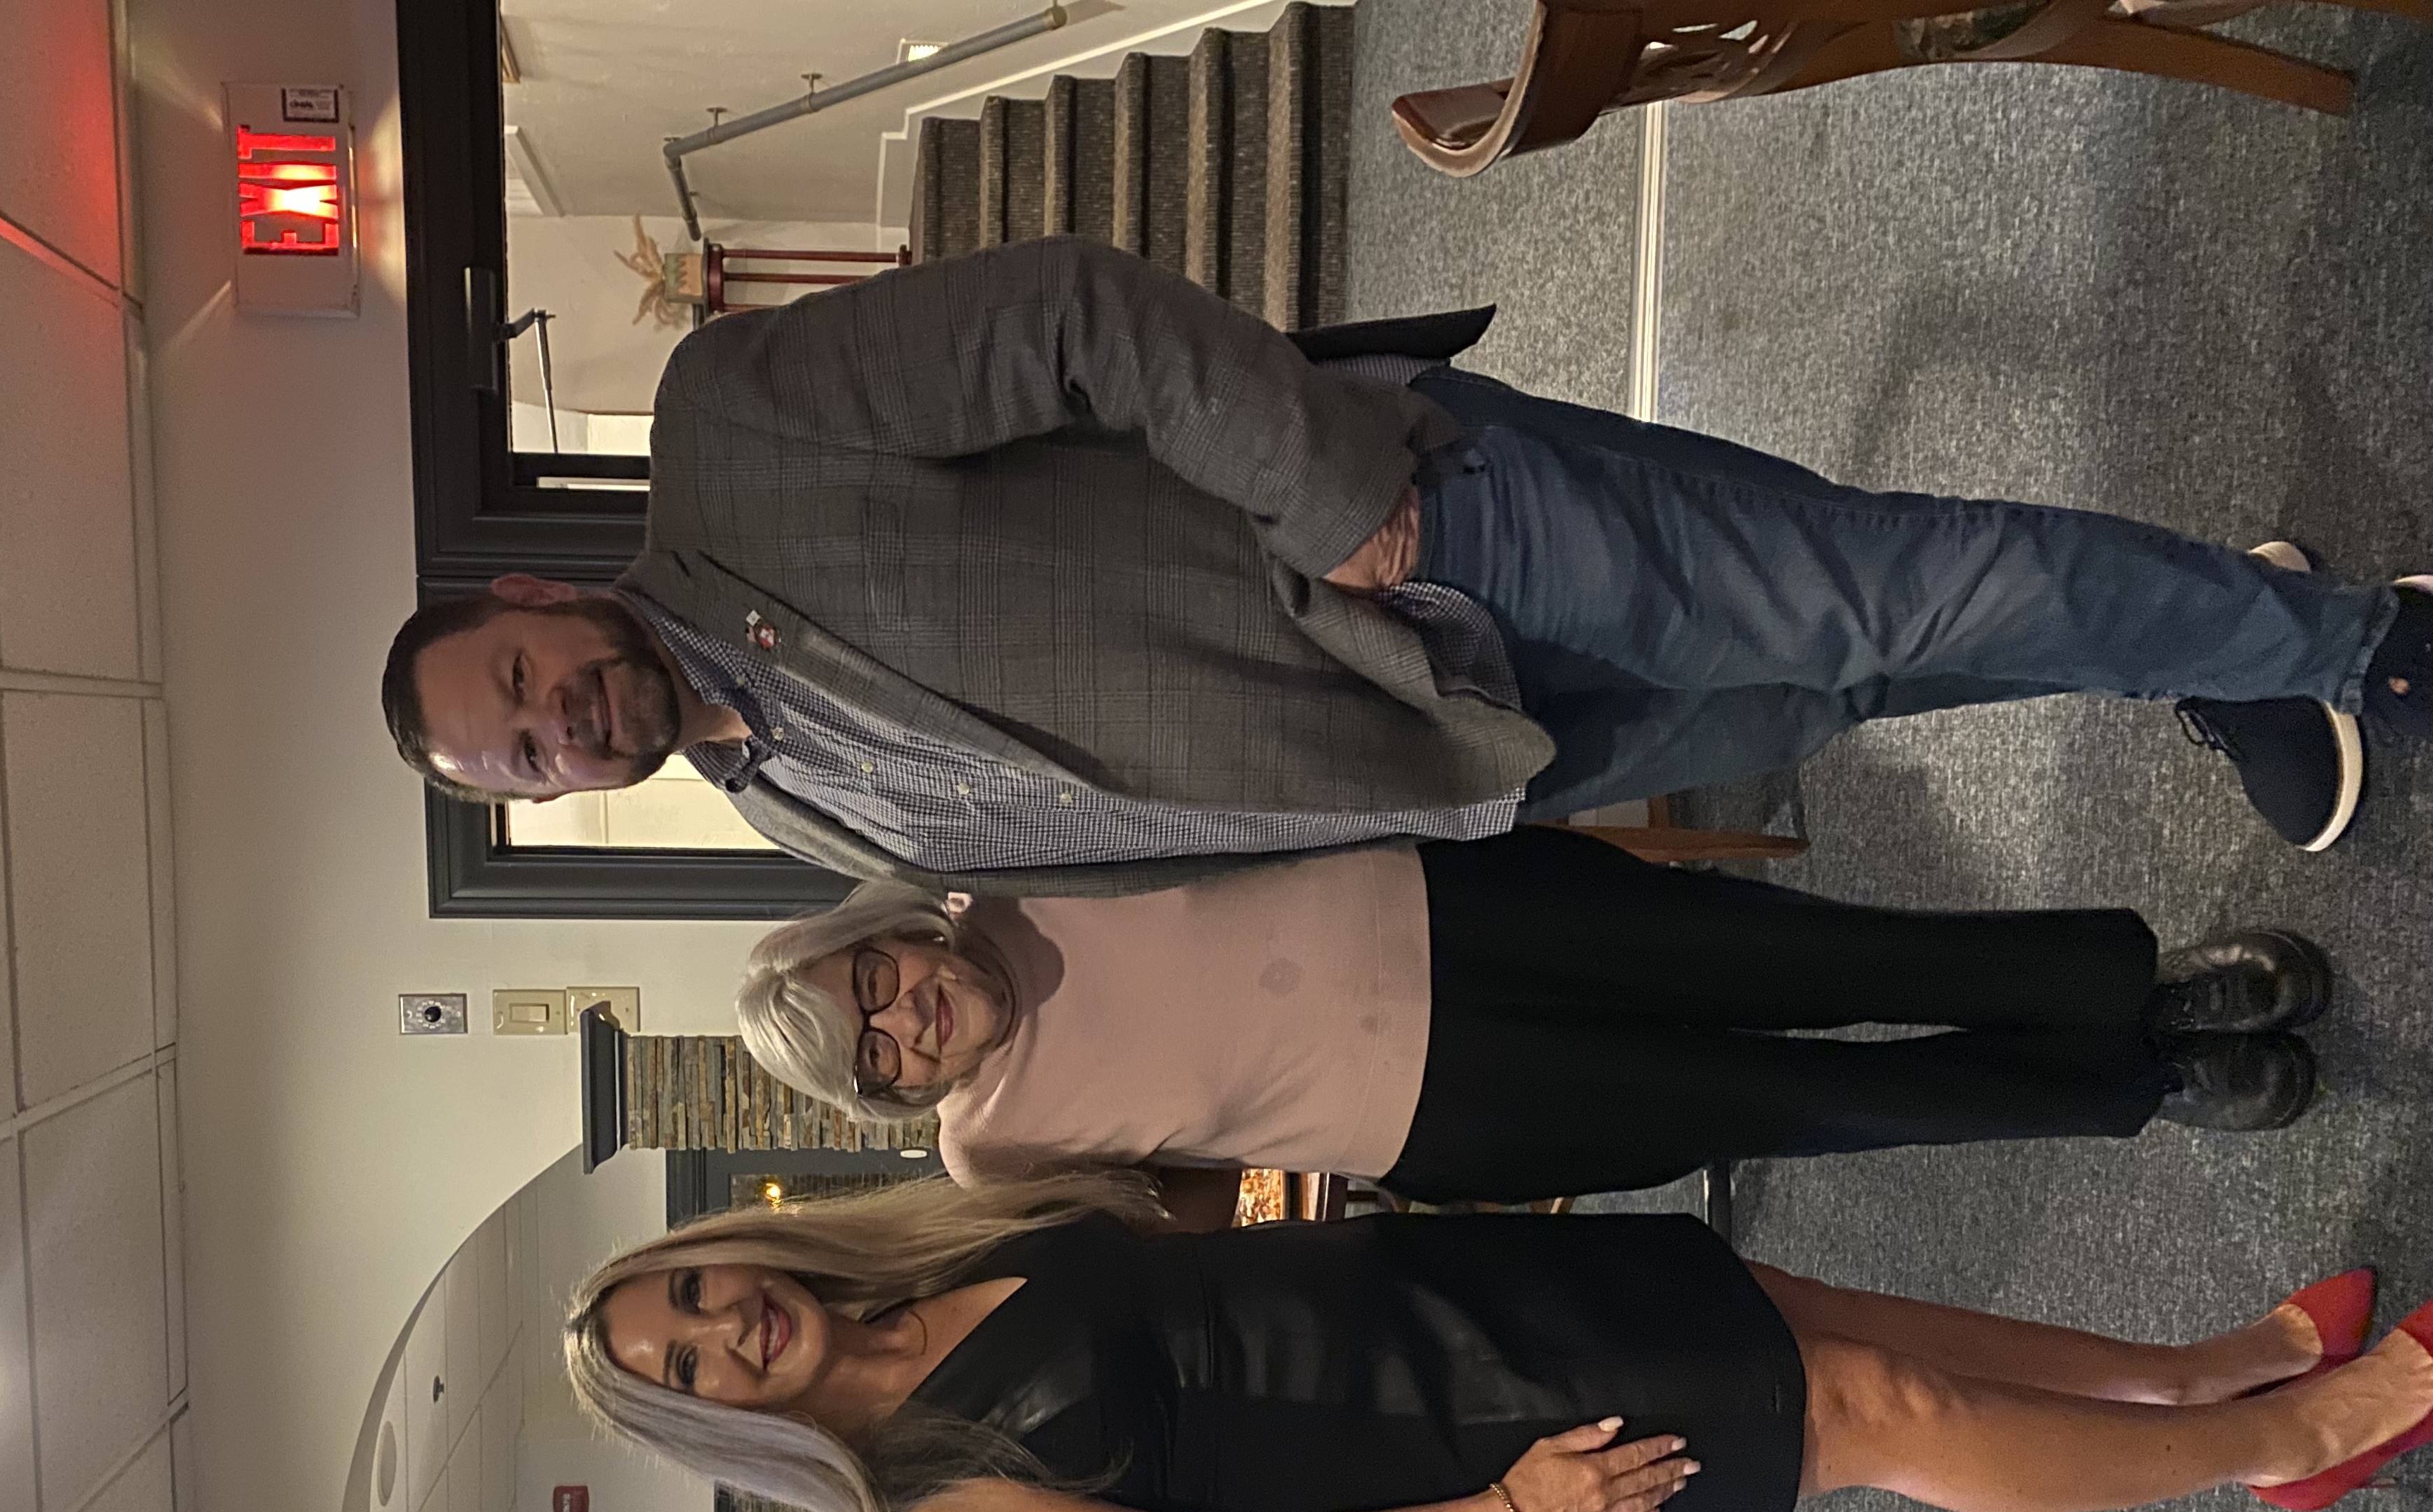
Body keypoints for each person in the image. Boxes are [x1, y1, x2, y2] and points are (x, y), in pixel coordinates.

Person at [380, 235, 2432, 877]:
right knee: (1857, 679)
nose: (564, 722)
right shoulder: (794, 816)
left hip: (1419, 542)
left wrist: (1327, 493)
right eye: (529, 755)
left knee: (1868, 589)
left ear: (534, 600)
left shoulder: (733, 430)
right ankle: (2224, 631)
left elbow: (1071, 319)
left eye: (524, 681)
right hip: (1451, 749)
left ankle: (2356, 645)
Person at [562, 1174, 2428, 1512]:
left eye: (692, 1294)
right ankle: (2295, 1442)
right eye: (685, 1366)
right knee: (1868, 1410)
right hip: (1448, 1441)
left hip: (1446, 1290)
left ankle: (2198, 1373)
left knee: (1823, 1318)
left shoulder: (935, 1234)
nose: (725, 1333)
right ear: (712, 1423)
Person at [730, 831, 2336, 1201]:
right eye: (879, 1055)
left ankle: (2140, 988)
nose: (909, 1020)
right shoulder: (987, 1148)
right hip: (1450, 1116)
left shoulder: (1008, 867)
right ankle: (2145, 1089)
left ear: (888, 932)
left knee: (1825, 961)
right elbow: (1168, 1217)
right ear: (890, 1093)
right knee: (1816, 1104)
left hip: (1463, 909)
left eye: (873, 984)